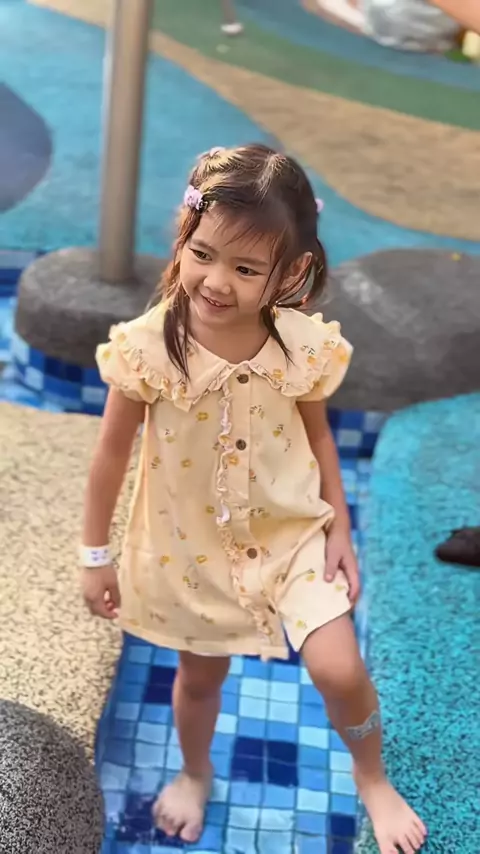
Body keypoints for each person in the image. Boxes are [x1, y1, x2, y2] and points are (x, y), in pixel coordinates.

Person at [80, 144, 427, 854]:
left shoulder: (299, 345)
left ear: (291, 272)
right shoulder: (147, 350)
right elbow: (110, 455)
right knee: (198, 681)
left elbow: (319, 438)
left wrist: (340, 530)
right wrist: (95, 555)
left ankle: (371, 776)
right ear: (182, 237)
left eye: (245, 269)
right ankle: (195, 772)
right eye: (203, 254)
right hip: (192, 553)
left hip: (291, 535)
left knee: (339, 668)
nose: (216, 281)